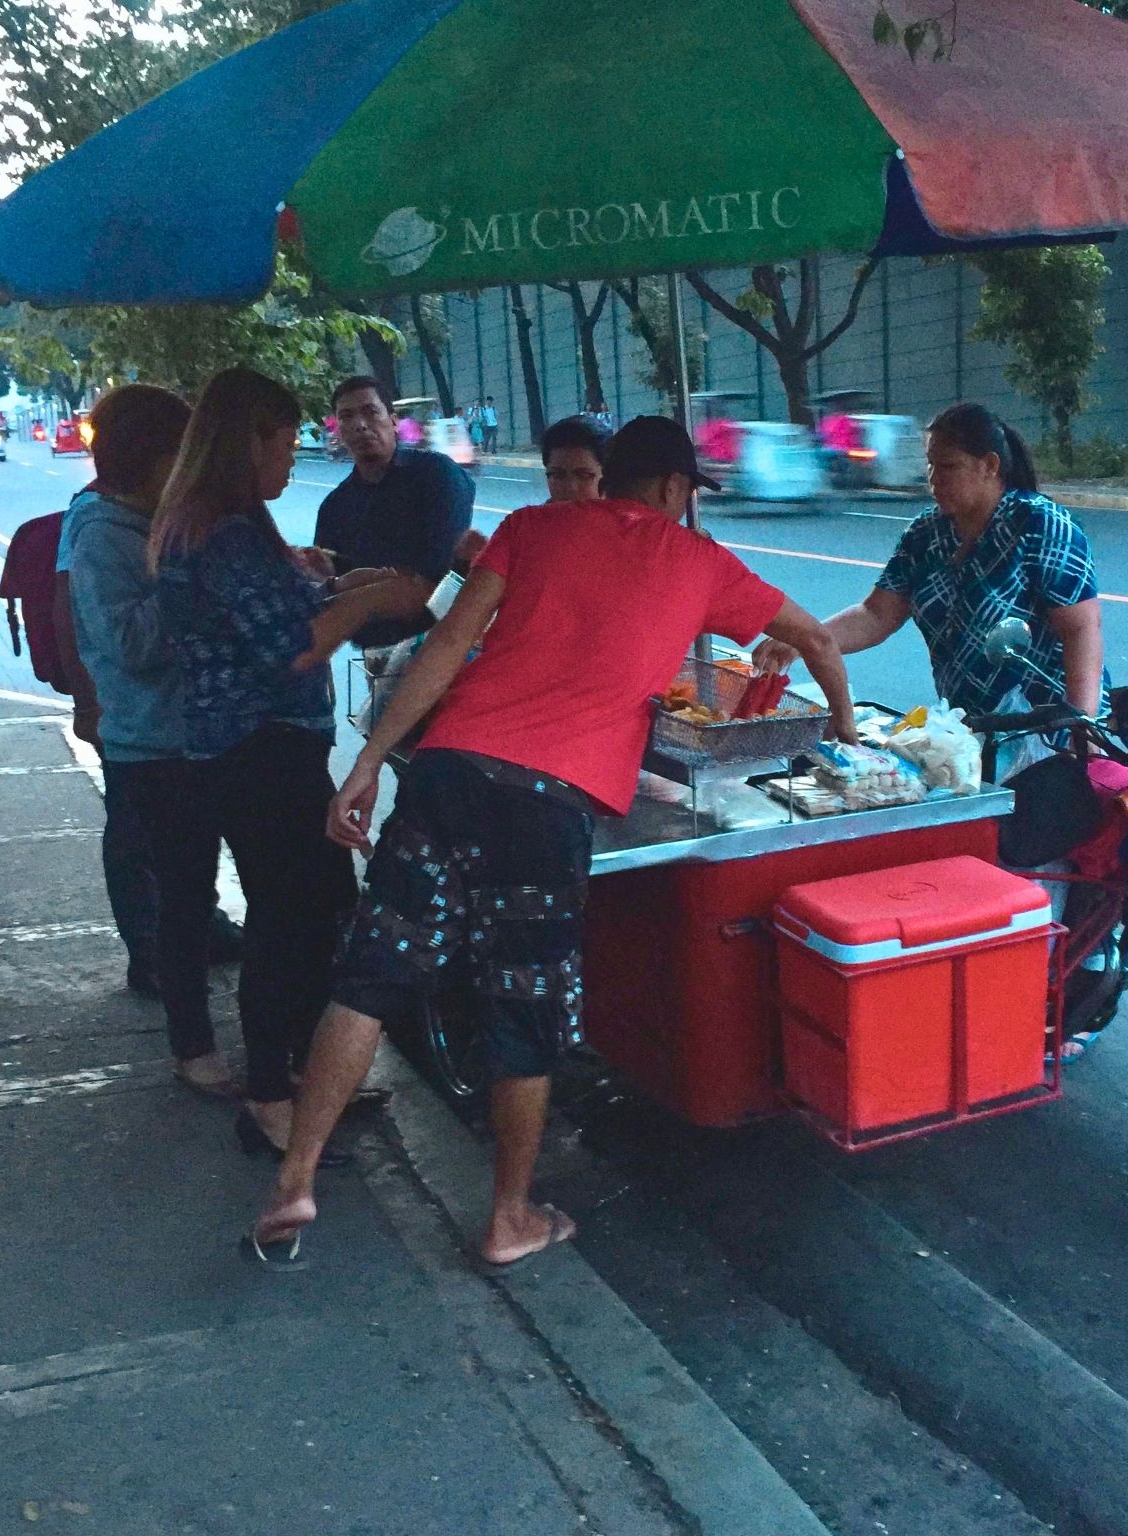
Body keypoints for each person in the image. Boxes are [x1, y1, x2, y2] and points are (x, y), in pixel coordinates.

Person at [251, 416, 856, 1269]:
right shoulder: (701, 561)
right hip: (547, 804)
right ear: (679, 491)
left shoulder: (529, 528)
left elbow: (451, 642)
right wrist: (842, 727)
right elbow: (820, 641)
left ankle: (296, 1181)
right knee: (523, 1009)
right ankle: (508, 1217)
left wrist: (370, 763)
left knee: (371, 974)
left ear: (610, 478)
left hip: (448, 773)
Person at [753, 401, 1108, 1040]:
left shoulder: (1041, 526)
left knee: (1031, 868)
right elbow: (878, 613)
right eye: (931, 468)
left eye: (947, 467)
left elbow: (1081, 628)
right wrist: (806, 639)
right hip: (968, 729)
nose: (935, 480)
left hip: (1043, 729)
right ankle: (991, 1001)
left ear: (989, 466)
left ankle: (1043, 1014)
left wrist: (1079, 726)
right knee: (975, 861)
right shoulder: (926, 533)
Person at [149, 367, 429, 1159]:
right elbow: (293, 650)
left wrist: (344, 583)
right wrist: (374, 603)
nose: (291, 457)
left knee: (311, 912)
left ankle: (304, 1075)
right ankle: (272, 1096)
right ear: (247, 445)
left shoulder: (217, 525)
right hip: (259, 755)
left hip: (249, 752)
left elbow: (278, 611)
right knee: (289, 925)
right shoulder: (223, 531)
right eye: (282, 442)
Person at [54, 385, 240, 1089]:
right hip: (151, 746)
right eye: (180, 456)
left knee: (213, 890)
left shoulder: (163, 520)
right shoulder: (102, 534)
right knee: (180, 897)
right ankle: (193, 1046)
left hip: (208, 735)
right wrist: (188, 577)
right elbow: (129, 642)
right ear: (147, 459)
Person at [312, 376, 474, 653]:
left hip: (445, 645)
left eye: (370, 412)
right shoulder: (334, 507)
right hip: (375, 654)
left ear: (394, 420)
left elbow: (439, 574)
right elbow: (325, 585)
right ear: (338, 429)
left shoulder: (437, 475)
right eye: (347, 416)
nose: (360, 425)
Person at [540, 416, 608, 502]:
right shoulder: (532, 515)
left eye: (584, 476)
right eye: (557, 476)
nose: (570, 488)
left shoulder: (625, 515)